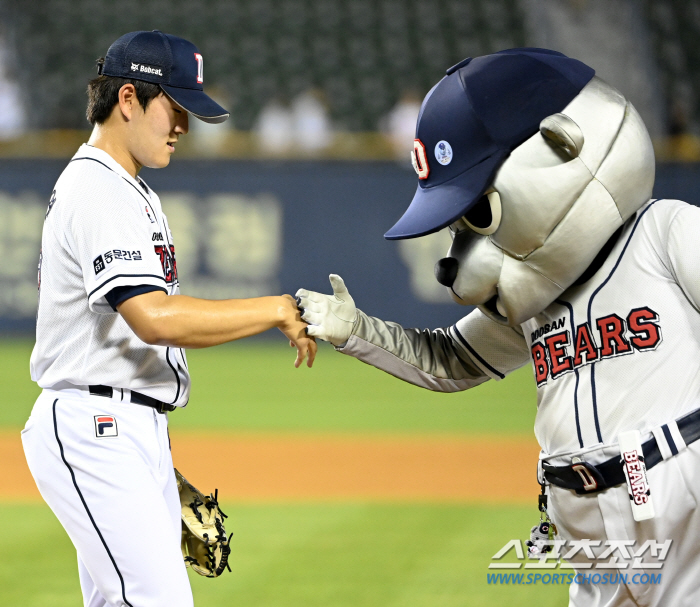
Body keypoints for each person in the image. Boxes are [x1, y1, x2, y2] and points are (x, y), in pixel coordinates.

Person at [297, 49, 700, 606]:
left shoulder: (665, 233)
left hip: (682, 515)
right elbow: (450, 361)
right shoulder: (530, 299)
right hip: (590, 543)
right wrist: (355, 330)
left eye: (477, 215)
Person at [22, 30, 315, 607]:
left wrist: (156, 463)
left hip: (124, 425)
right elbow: (153, 319)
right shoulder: (97, 188)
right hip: (93, 426)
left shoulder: (129, 190)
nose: (183, 124)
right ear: (128, 99)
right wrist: (275, 308)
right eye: (174, 106)